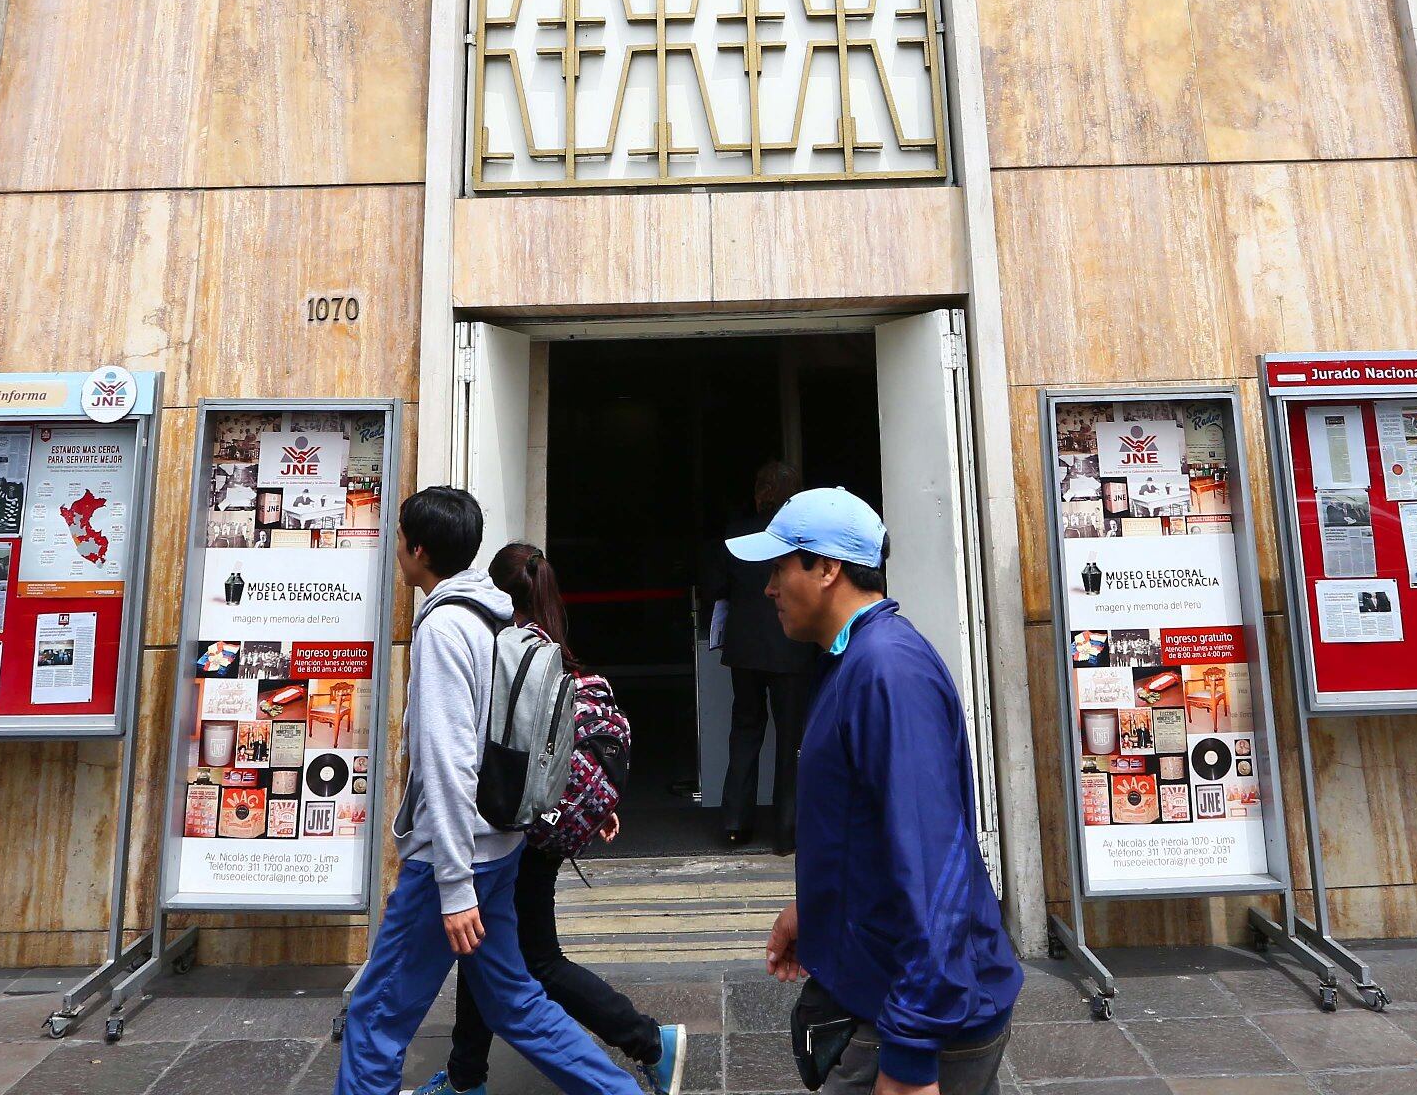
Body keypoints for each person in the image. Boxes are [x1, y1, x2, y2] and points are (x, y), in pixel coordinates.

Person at [334, 488, 642, 1095]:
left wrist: (452, 886)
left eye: (400, 540)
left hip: (451, 861)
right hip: (499, 848)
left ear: (418, 550)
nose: (397, 551)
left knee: (375, 1016)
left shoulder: (446, 629)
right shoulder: (497, 612)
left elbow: (447, 765)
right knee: (515, 1003)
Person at [736, 488, 1021, 1095]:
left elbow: (931, 867)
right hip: (895, 993)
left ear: (828, 568)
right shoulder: (854, 660)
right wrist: (816, 911)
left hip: (920, 1016)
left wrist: (912, 1055)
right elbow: (864, 830)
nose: (769, 587)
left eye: (780, 567)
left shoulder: (886, 670)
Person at [417, 542, 685, 1095]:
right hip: (542, 825)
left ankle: (649, 1041)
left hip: (517, 830)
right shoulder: (552, 650)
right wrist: (595, 807)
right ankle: (467, 1077)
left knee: (536, 960)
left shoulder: (505, 651)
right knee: (484, 949)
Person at [711, 461, 819, 853]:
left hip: (744, 648)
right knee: (792, 738)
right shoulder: (802, 535)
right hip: (792, 646)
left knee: (745, 730)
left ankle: (735, 823)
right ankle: (787, 831)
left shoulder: (736, 533)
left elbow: (716, 586)